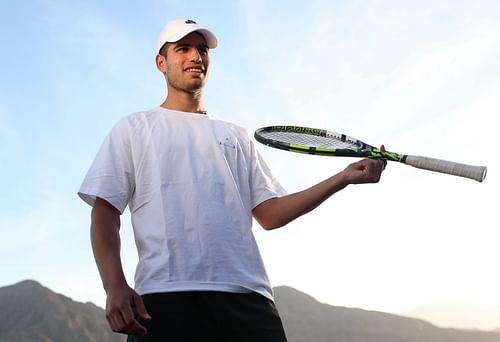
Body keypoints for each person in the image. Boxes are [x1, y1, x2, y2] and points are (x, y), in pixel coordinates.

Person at [78, 18, 386, 342]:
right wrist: (114, 285)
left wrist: (344, 178)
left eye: (201, 49)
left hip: (248, 298)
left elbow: (270, 214)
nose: (195, 56)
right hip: (165, 296)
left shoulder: (234, 135)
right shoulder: (134, 128)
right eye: (182, 49)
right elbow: (104, 211)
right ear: (161, 62)